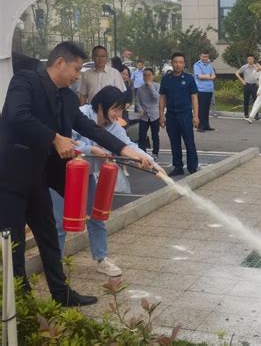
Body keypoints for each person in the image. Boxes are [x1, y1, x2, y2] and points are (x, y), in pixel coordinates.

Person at [0, 41, 151, 307]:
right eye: (76, 69)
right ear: (60, 62)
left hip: (37, 178)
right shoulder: (25, 81)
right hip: (10, 178)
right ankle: (20, 304)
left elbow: (91, 129)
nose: (78, 76)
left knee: (48, 236)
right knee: (15, 247)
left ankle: (61, 293)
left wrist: (126, 150)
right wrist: (55, 138)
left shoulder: (67, 97)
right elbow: (16, 116)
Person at [50, 86, 160, 277]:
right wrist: (91, 150)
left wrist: (149, 162)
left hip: (88, 174)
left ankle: (101, 259)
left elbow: (128, 146)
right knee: (60, 222)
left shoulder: (114, 126)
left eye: (121, 110)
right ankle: (54, 264)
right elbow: (69, 141)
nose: (118, 115)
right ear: (102, 105)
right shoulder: (81, 114)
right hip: (64, 174)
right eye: (115, 109)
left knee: (97, 217)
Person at [159, 52, 199, 176]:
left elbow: (194, 97)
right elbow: (162, 98)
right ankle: (178, 167)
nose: (178, 64)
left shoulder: (189, 78)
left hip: (185, 115)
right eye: (175, 62)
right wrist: (161, 115)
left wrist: (196, 115)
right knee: (174, 142)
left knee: (189, 142)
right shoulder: (166, 79)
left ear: (184, 64)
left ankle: (192, 168)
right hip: (171, 115)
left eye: (180, 62)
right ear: (172, 63)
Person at [136, 68, 160, 160]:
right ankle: (142, 153)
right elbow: (137, 101)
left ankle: (155, 153)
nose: (146, 77)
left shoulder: (157, 86)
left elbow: (156, 98)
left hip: (154, 115)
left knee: (155, 135)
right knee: (142, 136)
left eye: (149, 75)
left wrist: (150, 86)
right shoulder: (140, 89)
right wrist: (140, 109)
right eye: (145, 75)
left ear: (153, 76)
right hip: (144, 116)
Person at [193, 51, 216, 132]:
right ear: (200, 56)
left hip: (209, 89)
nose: (205, 58)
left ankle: (206, 125)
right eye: (203, 56)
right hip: (201, 89)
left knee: (206, 108)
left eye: (206, 57)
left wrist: (207, 76)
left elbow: (214, 76)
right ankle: (200, 126)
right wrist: (208, 76)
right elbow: (199, 76)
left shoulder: (209, 65)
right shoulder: (197, 65)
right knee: (201, 108)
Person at [235, 54, 259, 120]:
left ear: (253, 59)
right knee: (246, 100)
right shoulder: (244, 67)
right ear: (247, 60)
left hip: (254, 85)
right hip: (247, 85)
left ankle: (256, 115)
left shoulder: (256, 66)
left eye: (251, 59)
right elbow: (237, 73)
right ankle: (246, 115)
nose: (250, 60)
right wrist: (242, 80)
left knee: (256, 101)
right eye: (249, 59)